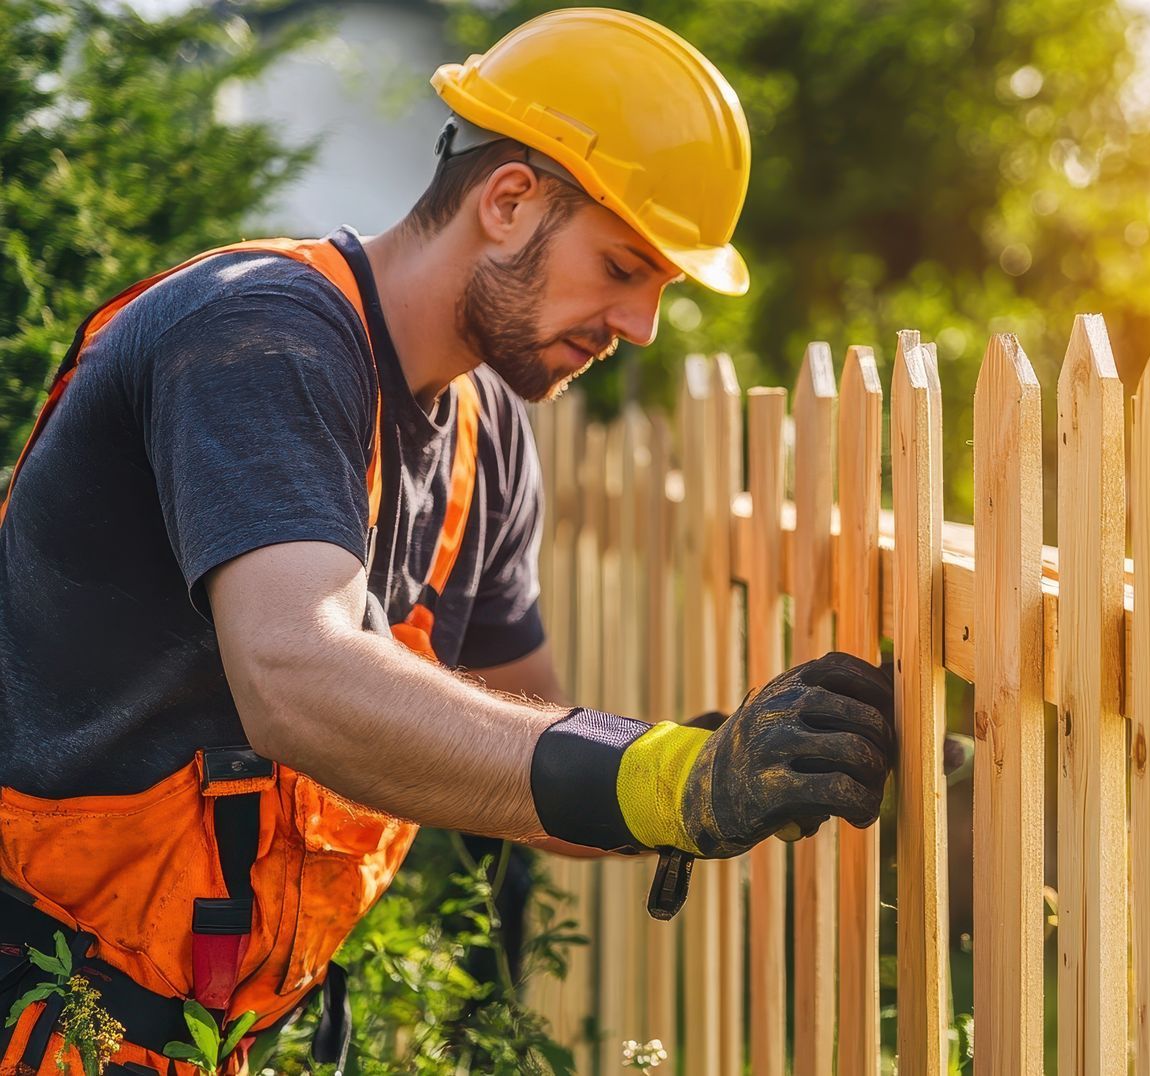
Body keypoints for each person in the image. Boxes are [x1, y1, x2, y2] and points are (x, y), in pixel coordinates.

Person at [0, 9, 894, 1073]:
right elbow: (300, 674)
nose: (644, 322)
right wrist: (663, 779)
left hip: (206, 1038)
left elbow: (521, 763)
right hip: (42, 1011)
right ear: (508, 201)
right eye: (623, 264)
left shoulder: (489, 433)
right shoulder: (258, 337)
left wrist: (731, 765)